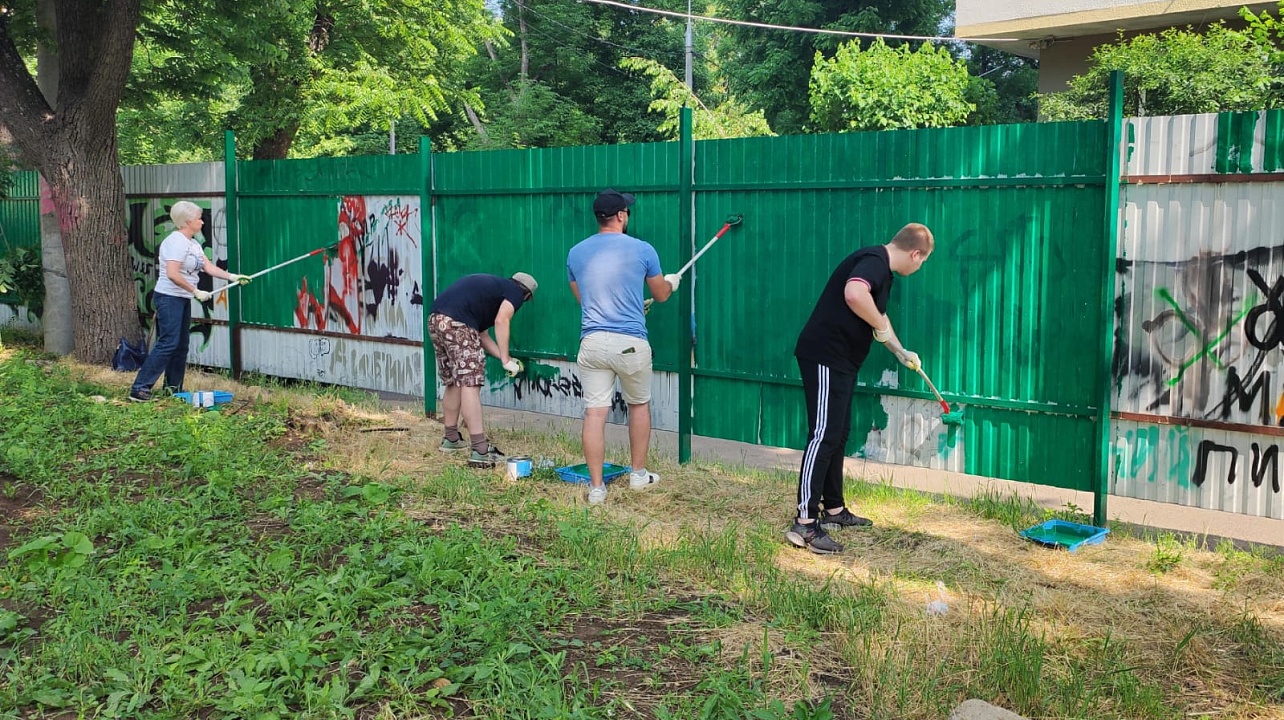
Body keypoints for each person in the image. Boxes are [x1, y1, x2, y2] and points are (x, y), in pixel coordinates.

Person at [786, 223, 934, 554]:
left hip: (842, 362)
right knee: (824, 434)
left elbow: (878, 316)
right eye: (922, 261)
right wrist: (880, 326)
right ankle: (805, 524)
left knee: (838, 433)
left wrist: (900, 351)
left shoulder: (881, 269)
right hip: (826, 355)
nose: (919, 267)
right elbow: (854, 294)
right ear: (915, 254)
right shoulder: (875, 262)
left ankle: (834, 509)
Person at [566, 189, 681, 505]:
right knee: (639, 405)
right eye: (626, 211)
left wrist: (630, 304)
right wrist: (671, 282)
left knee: (594, 413)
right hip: (630, 343)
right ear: (620, 216)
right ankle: (638, 475)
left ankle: (596, 489)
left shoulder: (575, 253)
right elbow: (661, 294)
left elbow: (585, 299)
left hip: (592, 342)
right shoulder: (643, 249)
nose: (627, 215)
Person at [129, 201, 251, 402]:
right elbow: (172, 274)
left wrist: (233, 277)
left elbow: (208, 267)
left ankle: (173, 389)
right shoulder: (176, 242)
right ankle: (140, 388)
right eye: (199, 219)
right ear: (187, 222)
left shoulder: (193, 243)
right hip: (169, 298)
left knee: (181, 346)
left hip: (182, 298)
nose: (202, 222)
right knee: (168, 343)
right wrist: (195, 291)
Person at [428, 272, 537, 467]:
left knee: (454, 382)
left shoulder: (491, 290)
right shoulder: (515, 292)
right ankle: (480, 450)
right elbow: (502, 321)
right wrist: (506, 360)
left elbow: (482, 336)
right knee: (470, 383)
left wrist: (505, 358)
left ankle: (451, 439)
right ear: (527, 295)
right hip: (458, 324)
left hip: (436, 320)